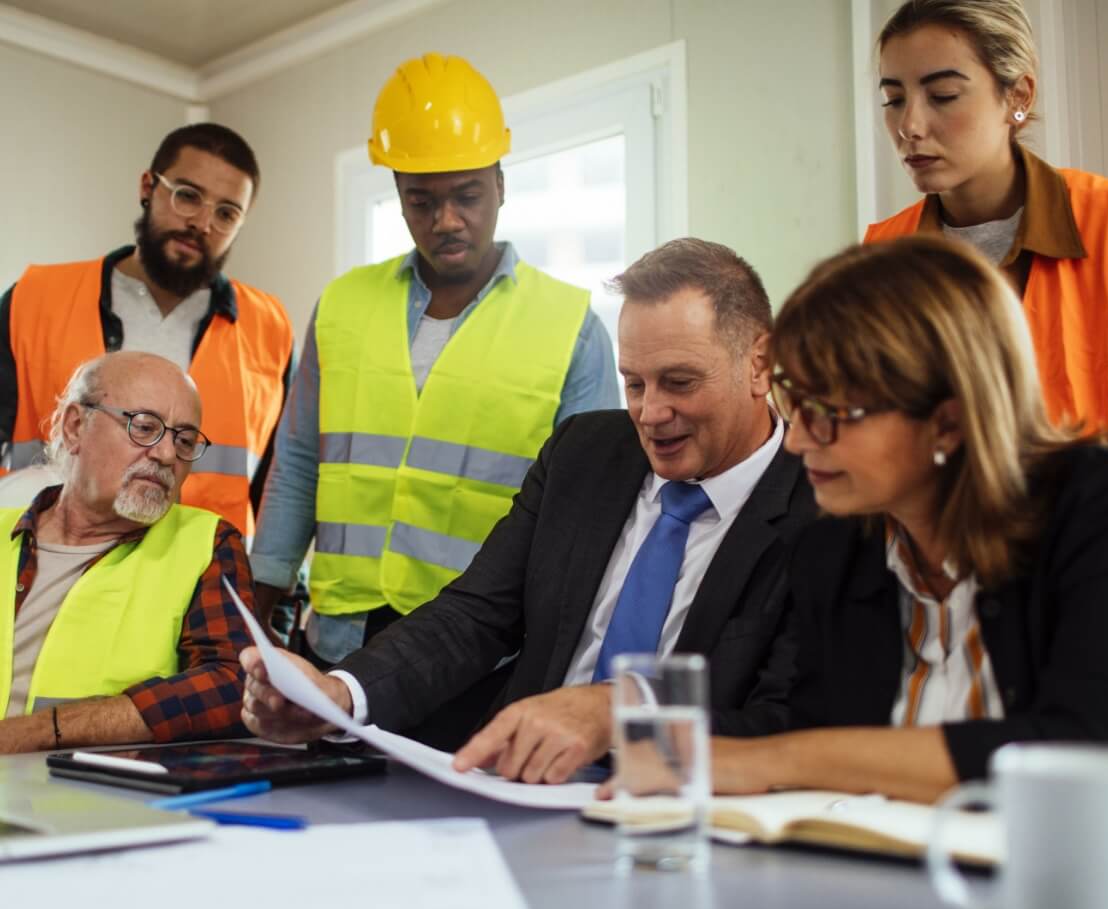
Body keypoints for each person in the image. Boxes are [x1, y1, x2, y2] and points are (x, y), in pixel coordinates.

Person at [240, 238, 816, 782]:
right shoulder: (583, 453)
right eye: (634, 384)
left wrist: (620, 711)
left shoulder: (819, 512)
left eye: (680, 382)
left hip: (689, 816)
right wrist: (341, 695)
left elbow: (788, 722)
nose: (651, 413)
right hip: (521, 793)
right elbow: (475, 616)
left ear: (759, 364)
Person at [700, 236, 1108, 821]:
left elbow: (1098, 752)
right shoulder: (832, 544)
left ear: (949, 421)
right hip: (903, 883)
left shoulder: (1103, 506)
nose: (797, 438)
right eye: (795, 400)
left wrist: (773, 761)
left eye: (831, 412)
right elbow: (819, 734)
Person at [250, 52, 619, 665]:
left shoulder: (572, 329)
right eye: (422, 201)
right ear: (397, 195)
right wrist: (261, 608)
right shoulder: (342, 305)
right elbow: (297, 464)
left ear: (500, 184)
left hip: (477, 654)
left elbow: (585, 516)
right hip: (338, 637)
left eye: (467, 195)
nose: (447, 221)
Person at [865, 0, 1108, 616]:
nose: (910, 125)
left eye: (942, 95)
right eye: (893, 98)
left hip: (1105, 621)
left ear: (1016, 95)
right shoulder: (879, 258)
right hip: (930, 626)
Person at [0, 123, 293, 536]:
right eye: (187, 196)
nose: (202, 223)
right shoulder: (36, 298)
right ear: (147, 187)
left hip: (202, 573)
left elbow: (281, 477)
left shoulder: (269, 327)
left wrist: (269, 585)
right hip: (46, 564)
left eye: (226, 213)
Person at [0, 352, 255, 753]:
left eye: (184, 439)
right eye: (144, 427)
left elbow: (234, 684)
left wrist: (38, 732)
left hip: (103, 801)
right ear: (74, 427)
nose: (167, 455)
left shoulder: (208, 543)